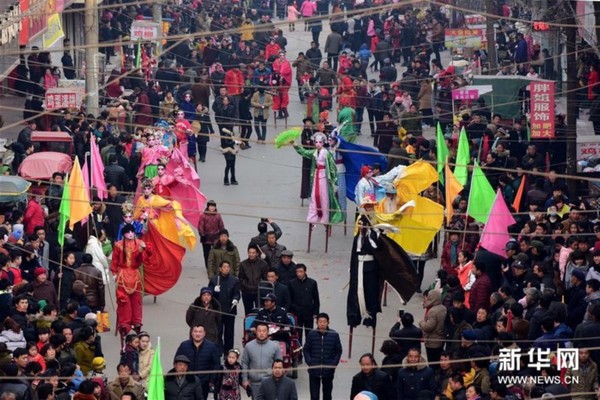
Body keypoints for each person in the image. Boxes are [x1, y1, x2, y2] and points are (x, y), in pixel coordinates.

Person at [293, 132, 343, 225]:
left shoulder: (327, 153)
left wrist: (334, 182)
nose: (318, 144)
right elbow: (305, 152)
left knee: (324, 196)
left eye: (320, 142)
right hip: (316, 175)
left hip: (325, 176)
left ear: (323, 143)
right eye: (316, 142)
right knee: (314, 196)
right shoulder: (314, 152)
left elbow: (333, 168)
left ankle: (325, 217)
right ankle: (313, 216)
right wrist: (296, 146)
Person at [110, 224, 149, 340]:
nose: (131, 234)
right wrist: (114, 273)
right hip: (122, 276)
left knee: (137, 302)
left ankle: (137, 323)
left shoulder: (139, 243)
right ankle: (124, 325)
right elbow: (114, 261)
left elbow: (143, 259)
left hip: (135, 275)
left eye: (132, 231)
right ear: (124, 234)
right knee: (124, 302)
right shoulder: (118, 245)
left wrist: (144, 250)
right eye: (128, 232)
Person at [175, 324, 221, 399]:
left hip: (204, 383)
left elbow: (216, 364)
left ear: (204, 333)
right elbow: (176, 361)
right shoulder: (184, 346)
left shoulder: (211, 347)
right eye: (195, 331)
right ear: (191, 333)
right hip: (187, 382)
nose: (197, 334)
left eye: (200, 332)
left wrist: (212, 381)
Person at [303, 313, 342, 400]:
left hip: (328, 371)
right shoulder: (311, 334)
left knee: (327, 395)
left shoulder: (334, 335)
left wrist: (333, 364)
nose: (322, 324)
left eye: (324, 322)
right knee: (314, 396)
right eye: (320, 321)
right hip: (314, 370)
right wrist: (310, 362)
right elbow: (306, 349)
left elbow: (338, 351)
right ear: (317, 323)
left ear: (328, 322)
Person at [241, 322, 282, 397]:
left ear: (268, 332)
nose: (262, 333)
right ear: (256, 332)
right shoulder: (249, 346)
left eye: (264, 331)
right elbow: (244, 363)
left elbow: (279, 365)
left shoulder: (275, 347)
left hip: (270, 382)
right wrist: (245, 379)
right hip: (254, 383)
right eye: (259, 331)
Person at [209, 261, 240, 357]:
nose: (226, 268)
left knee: (229, 333)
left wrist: (236, 299)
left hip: (230, 311)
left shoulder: (234, 280)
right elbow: (208, 294)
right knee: (218, 332)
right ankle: (218, 351)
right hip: (217, 311)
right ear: (220, 268)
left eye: (228, 267)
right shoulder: (214, 280)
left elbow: (237, 293)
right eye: (224, 267)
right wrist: (213, 291)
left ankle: (228, 352)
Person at [289, 264, 320, 345]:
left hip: (309, 313)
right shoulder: (292, 283)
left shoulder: (312, 283)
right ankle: (298, 354)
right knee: (297, 335)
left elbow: (316, 299)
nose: (299, 274)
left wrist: (316, 313)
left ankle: (308, 352)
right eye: (297, 272)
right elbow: (290, 299)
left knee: (309, 335)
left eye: (301, 272)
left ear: (305, 272)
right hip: (296, 313)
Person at [239, 245, 269, 314]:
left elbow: (265, 278)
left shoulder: (263, 264)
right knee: (248, 312)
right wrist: (245, 286)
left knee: (260, 311)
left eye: (253, 253)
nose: (251, 254)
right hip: (246, 291)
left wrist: (260, 286)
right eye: (250, 252)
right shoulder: (243, 264)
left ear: (257, 253)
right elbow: (240, 277)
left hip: (258, 291)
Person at [198, 200, 225, 270]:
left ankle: (217, 266)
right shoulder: (203, 216)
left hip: (216, 237)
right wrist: (202, 235)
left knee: (217, 253)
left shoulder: (218, 216)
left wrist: (222, 235)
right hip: (206, 238)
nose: (212, 208)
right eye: (211, 206)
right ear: (208, 207)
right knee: (206, 254)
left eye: (213, 206)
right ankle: (208, 267)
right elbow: (200, 226)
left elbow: (221, 226)